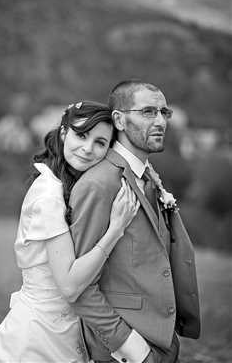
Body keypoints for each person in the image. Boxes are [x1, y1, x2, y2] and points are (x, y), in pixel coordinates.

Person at [0, 101, 140, 363]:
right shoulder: (49, 196)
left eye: (100, 143)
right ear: (64, 132)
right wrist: (116, 229)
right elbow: (70, 286)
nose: (88, 149)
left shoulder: (67, 186)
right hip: (38, 335)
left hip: (65, 331)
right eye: (81, 135)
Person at [69, 81, 201, 363]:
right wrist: (132, 349)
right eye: (148, 112)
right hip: (125, 349)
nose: (160, 121)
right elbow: (80, 288)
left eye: (164, 112)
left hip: (163, 340)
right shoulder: (99, 184)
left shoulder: (149, 176)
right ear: (119, 119)